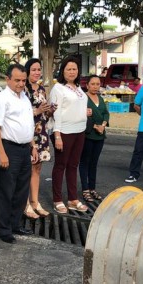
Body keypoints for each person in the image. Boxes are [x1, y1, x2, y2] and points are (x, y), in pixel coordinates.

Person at [0, 64, 38, 243]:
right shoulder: (2, 99)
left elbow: (27, 123)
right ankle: (4, 229)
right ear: (7, 79)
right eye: (17, 80)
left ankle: (15, 224)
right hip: (8, 148)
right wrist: (1, 153)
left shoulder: (24, 96)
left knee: (21, 190)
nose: (20, 83)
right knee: (6, 191)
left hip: (25, 148)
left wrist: (32, 145)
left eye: (23, 80)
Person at [49, 56, 88, 213]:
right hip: (63, 132)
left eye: (74, 69)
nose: (72, 72)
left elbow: (75, 107)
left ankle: (73, 199)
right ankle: (57, 199)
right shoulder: (58, 88)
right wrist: (57, 135)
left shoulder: (78, 88)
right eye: (68, 69)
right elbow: (56, 112)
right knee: (60, 165)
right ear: (62, 71)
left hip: (79, 131)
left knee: (73, 166)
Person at [25, 57, 52, 218]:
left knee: (37, 168)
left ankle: (35, 201)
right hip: (28, 133)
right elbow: (21, 113)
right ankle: (25, 203)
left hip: (41, 133)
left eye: (38, 69)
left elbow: (44, 113)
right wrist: (37, 111)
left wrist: (49, 111)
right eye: (34, 69)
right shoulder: (23, 89)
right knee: (27, 169)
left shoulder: (41, 89)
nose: (37, 72)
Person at [79, 75, 110, 201]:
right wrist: (95, 126)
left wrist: (102, 125)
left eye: (98, 84)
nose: (95, 86)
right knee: (84, 162)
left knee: (94, 163)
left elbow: (106, 114)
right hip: (88, 134)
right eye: (93, 84)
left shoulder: (101, 99)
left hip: (100, 135)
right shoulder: (83, 98)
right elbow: (81, 115)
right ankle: (85, 189)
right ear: (87, 85)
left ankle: (92, 188)